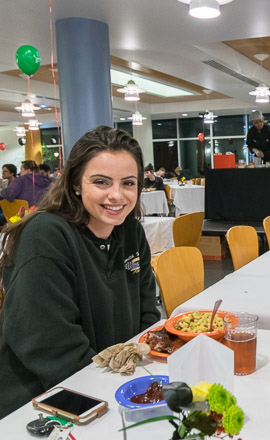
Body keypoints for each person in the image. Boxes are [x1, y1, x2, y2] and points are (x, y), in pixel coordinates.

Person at [0, 126, 160, 418]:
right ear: (75, 183)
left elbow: (147, 313)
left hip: (115, 384)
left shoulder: (130, 231)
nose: (117, 195)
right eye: (101, 182)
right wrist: (108, 399)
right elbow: (50, 346)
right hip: (43, 401)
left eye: (128, 183)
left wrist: (139, 369)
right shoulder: (45, 235)